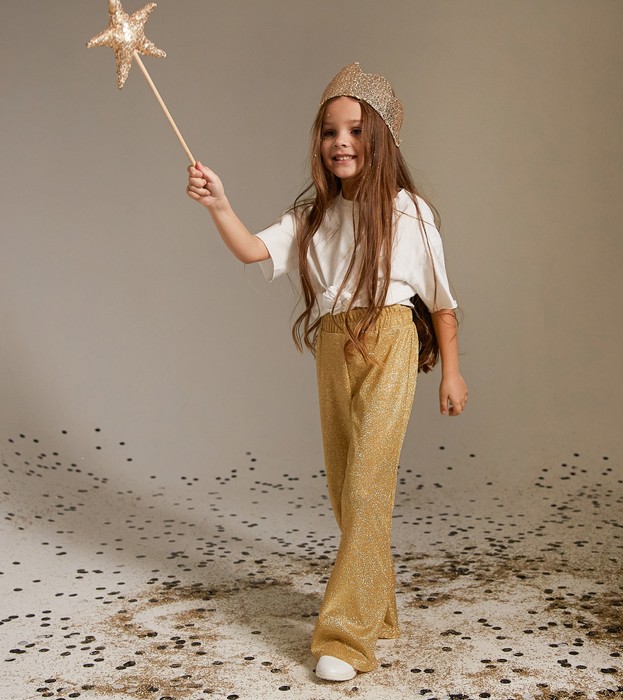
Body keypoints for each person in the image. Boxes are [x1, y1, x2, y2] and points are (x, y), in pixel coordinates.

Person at [186, 62, 468, 682]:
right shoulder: (313, 218)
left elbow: (442, 301)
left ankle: (345, 637)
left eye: (355, 131)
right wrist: (220, 204)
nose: (341, 142)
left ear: (381, 139)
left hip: (389, 339)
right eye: (329, 131)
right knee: (347, 492)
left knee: (368, 487)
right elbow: (253, 249)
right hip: (334, 347)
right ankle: (379, 608)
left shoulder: (409, 212)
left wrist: (452, 372)